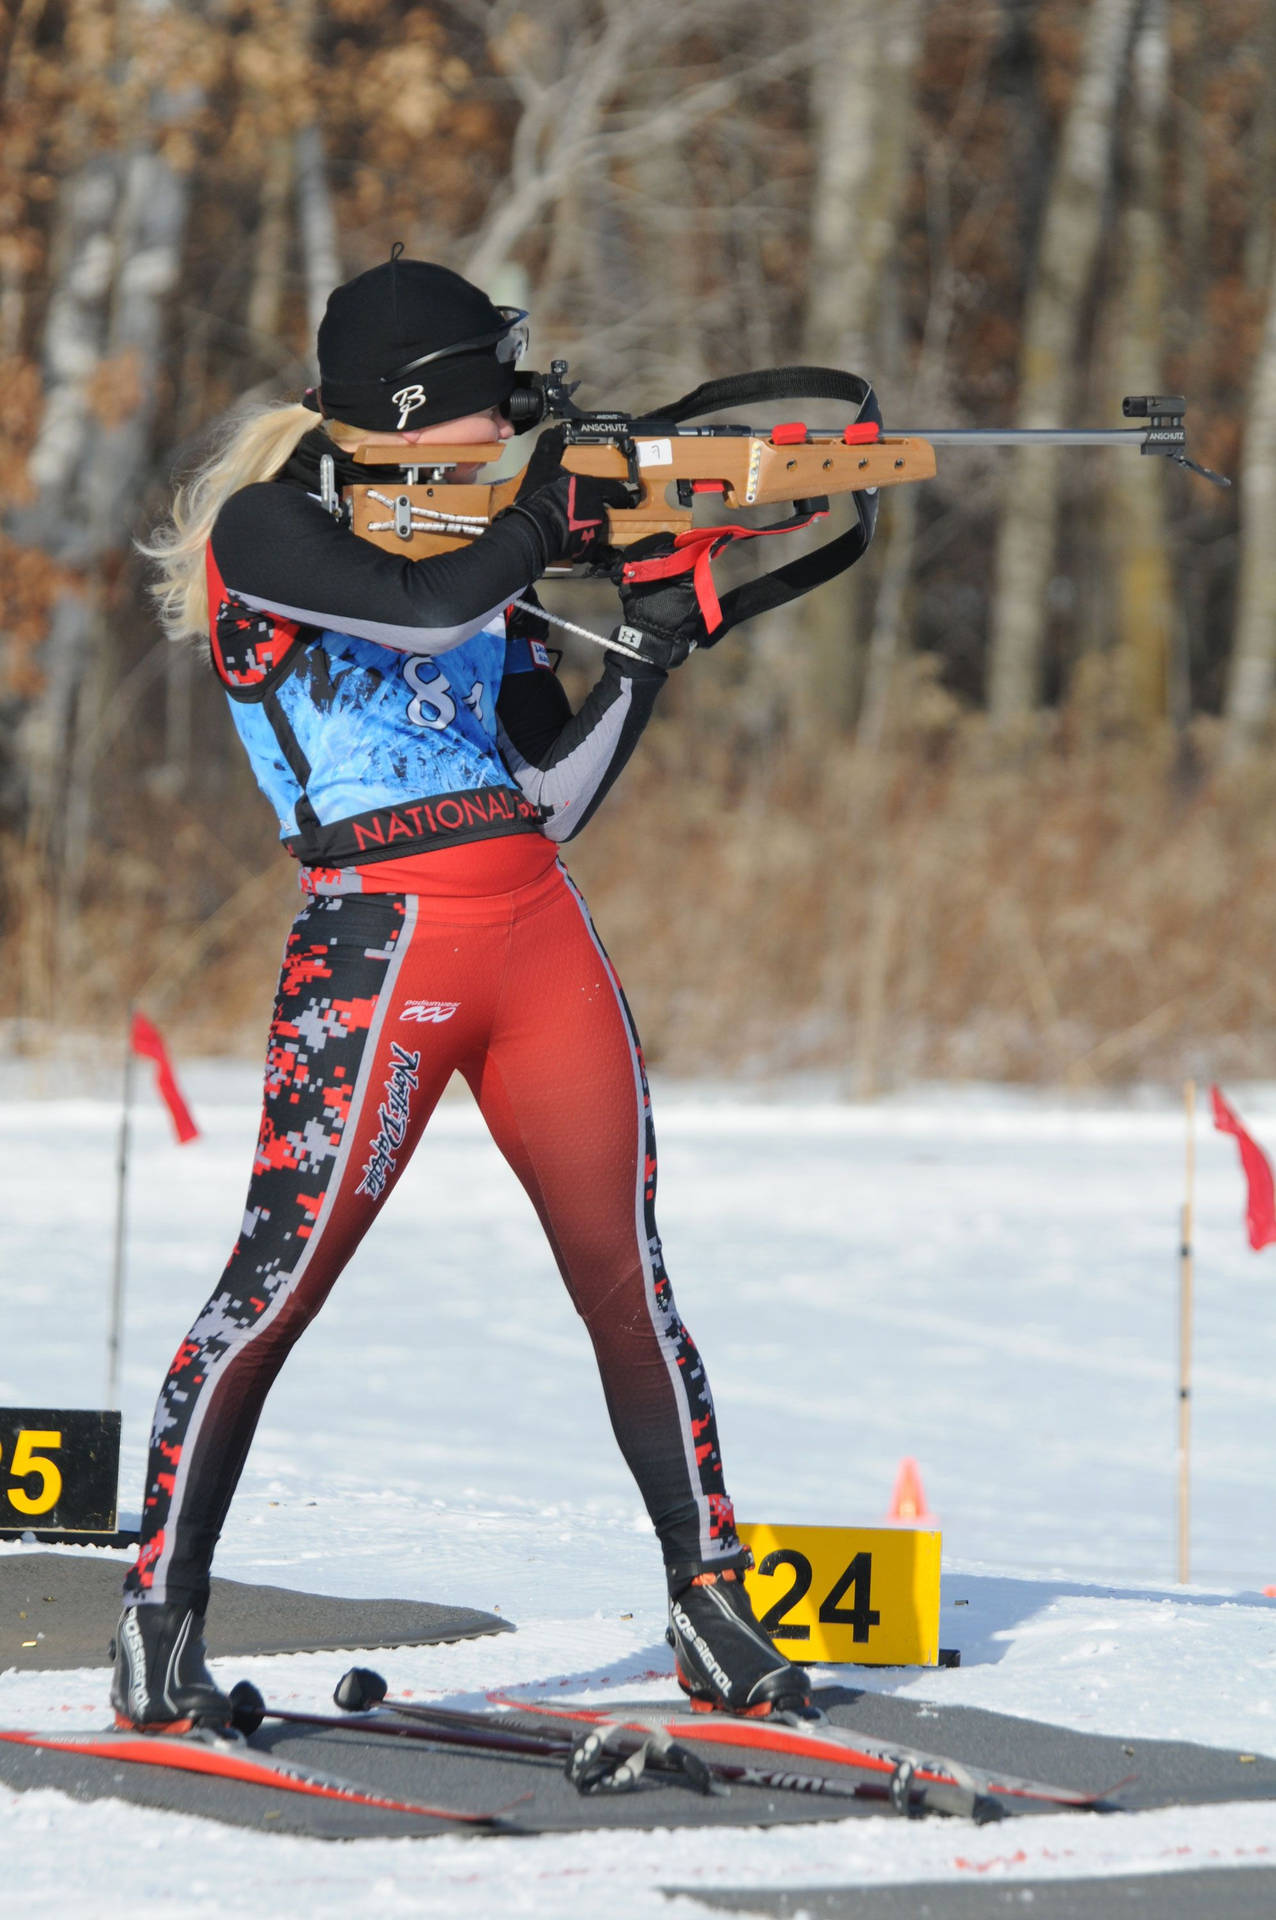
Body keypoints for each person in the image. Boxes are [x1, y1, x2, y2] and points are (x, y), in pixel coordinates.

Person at [112, 253, 809, 1733]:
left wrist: (652, 645)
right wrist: (552, 516)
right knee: (276, 1288)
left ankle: (711, 1602)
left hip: (533, 932)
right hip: (378, 948)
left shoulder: (479, 559)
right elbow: (419, 612)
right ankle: (158, 1616)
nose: (506, 429)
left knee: (629, 1283)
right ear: (426, 407)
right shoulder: (271, 531)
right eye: (489, 405)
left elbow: (540, 801)